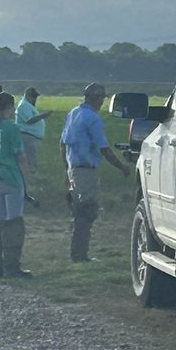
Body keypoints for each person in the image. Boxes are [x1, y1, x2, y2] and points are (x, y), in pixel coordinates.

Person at [60, 82, 131, 262]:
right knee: (86, 212)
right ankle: (80, 255)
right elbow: (104, 148)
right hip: (86, 171)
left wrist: (65, 169)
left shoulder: (73, 113)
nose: (102, 102)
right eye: (101, 98)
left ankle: (77, 252)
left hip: (73, 169)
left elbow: (62, 143)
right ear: (95, 98)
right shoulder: (93, 119)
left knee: (79, 211)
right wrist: (121, 166)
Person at [0, 91, 32, 279]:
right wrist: (27, 180)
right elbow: (20, 156)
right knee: (13, 222)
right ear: (8, 107)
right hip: (11, 178)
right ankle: (13, 267)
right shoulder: (11, 128)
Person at [15, 86, 51, 172]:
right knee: (29, 161)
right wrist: (43, 116)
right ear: (27, 96)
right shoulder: (24, 105)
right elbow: (29, 120)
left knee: (31, 159)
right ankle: (28, 178)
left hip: (31, 137)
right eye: (33, 97)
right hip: (28, 137)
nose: (35, 99)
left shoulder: (28, 105)